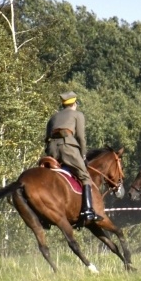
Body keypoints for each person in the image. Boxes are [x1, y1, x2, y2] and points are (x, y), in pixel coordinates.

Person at [44, 91, 103, 223]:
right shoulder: (78, 115)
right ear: (74, 103)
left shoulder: (54, 117)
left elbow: (46, 138)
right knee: (85, 176)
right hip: (67, 148)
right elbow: (81, 137)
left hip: (52, 149)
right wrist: (83, 156)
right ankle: (87, 211)